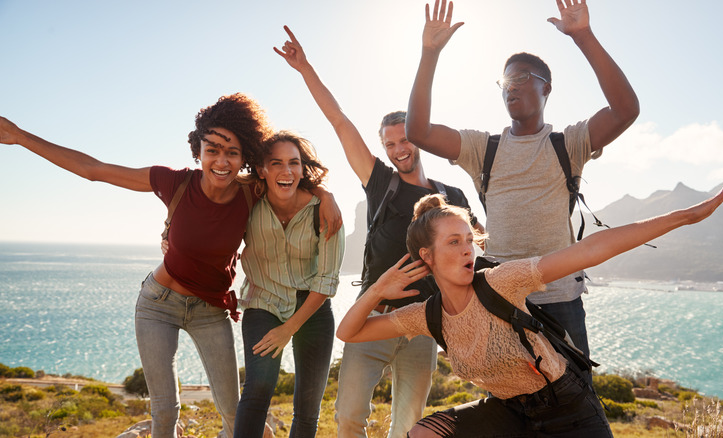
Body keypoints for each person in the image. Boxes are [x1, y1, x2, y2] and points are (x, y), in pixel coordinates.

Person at [0, 94, 341, 438]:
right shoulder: (174, 182)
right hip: (158, 305)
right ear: (198, 150)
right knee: (165, 412)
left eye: (232, 152)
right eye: (212, 150)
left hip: (210, 309)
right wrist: (20, 136)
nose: (222, 161)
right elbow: (94, 170)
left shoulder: (250, 192)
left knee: (233, 408)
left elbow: (289, 179)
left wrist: (326, 196)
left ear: (245, 157)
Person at [337, 174, 723, 437]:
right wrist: (377, 289)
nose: (467, 251)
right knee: (424, 434)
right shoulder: (428, 315)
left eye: (469, 240)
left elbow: (591, 249)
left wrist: (686, 216)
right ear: (427, 256)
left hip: (568, 409)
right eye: (453, 242)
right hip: (508, 413)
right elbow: (349, 332)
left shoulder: (500, 281)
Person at [274, 26, 483, 438]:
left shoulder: (452, 195)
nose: (399, 149)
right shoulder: (380, 182)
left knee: (409, 425)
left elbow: (475, 254)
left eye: (405, 140)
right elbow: (339, 121)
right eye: (390, 144)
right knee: (349, 417)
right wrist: (305, 68)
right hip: (374, 315)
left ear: (418, 139)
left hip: (425, 322)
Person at [405, 0, 641, 364]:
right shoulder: (482, 148)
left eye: (520, 78)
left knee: (575, 394)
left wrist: (583, 36)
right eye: (504, 83)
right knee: (506, 394)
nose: (509, 88)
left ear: (547, 88)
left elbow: (626, 110)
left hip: (560, 299)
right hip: (499, 298)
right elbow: (418, 131)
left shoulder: (569, 143)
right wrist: (429, 53)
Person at [234, 130, 345, 437]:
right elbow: (210, 201)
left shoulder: (324, 211)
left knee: (308, 408)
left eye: (294, 163)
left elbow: (326, 280)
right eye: (276, 163)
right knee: (257, 388)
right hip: (263, 302)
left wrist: (289, 329)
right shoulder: (248, 201)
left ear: (302, 169)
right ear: (262, 169)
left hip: (312, 308)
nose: (287, 171)